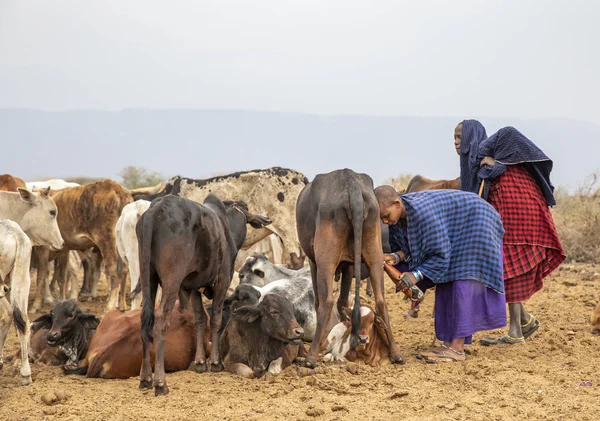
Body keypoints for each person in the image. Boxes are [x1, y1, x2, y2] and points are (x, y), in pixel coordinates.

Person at [455, 120, 566, 345]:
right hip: (518, 227)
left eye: (460, 138)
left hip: (519, 229)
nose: (457, 143)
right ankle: (524, 322)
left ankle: (516, 332)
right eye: (454, 139)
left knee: (508, 271)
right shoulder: (487, 167)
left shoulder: (498, 171)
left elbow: (503, 206)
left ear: (470, 140)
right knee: (508, 272)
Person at [375, 186, 507, 362]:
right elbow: (409, 249)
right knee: (445, 282)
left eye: (386, 215)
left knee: (462, 280)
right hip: (456, 231)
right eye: (381, 218)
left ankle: (457, 348)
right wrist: (394, 257)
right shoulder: (396, 221)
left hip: (477, 222)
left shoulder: (424, 214)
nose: (384, 221)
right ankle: (447, 343)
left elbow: (440, 256)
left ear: (397, 204)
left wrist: (416, 275)